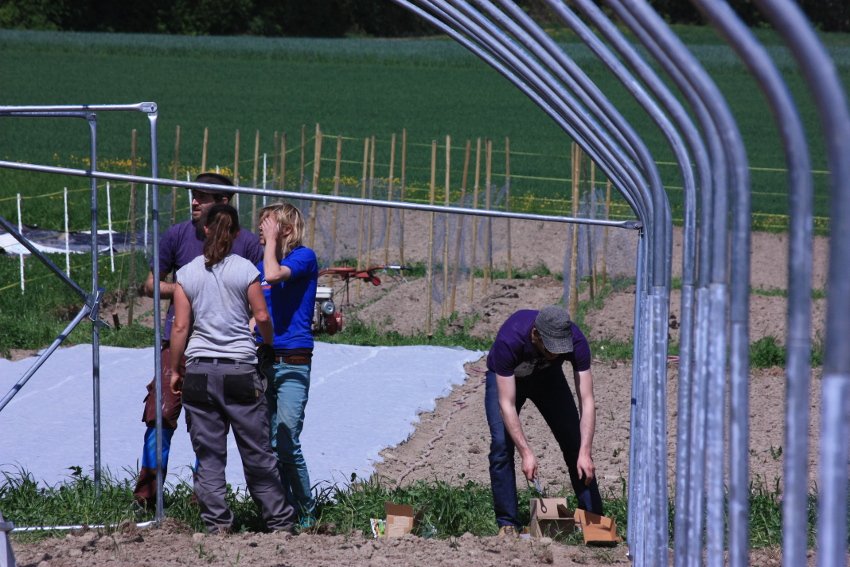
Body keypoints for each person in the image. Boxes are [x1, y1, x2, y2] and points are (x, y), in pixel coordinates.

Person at [133, 173, 264, 508]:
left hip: (222, 351)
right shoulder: (177, 235)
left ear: (223, 202)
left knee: (211, 425)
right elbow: (151, 284)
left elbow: (263, 296)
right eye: (193, 195)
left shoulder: (246, 243)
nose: (193, 201)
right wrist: (184, 290)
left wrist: (249, 325)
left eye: (202, 197)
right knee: (160, 414)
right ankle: (147, 497)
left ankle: (202, 499)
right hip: (176, 345)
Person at [169, 203, 295, 534]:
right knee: (257, 453)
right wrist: (266, 342)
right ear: (238, 232)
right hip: (240, 370)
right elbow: (262, 316)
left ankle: (218, 526)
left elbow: (181, 327)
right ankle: (280, 523)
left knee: (209, 457)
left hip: (198, 373)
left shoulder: (187, 274)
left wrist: (175, 370)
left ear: (205, 230)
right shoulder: (245, 270)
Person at [485, 305, 603, 536]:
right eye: (551, 348)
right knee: (501, 444)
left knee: (574, 442)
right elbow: (507, 404)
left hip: (548, 378)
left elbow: (587, 400)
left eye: (561, 349)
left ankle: (593, 521)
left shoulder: (576, 341)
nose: (557, 354)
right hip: (509, 382)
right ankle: (508, 522)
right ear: (536, 334)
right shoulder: (510, 340)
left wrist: (585, 452)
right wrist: (526, 453)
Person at [255, 202, 318, 525]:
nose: (261, 233)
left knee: (287, 440)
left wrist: (272, 247)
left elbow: (273, 275)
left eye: (268, 227)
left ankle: (307, 513)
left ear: (286, 230)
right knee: (266, 445)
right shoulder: (260, 262)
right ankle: (281, 512)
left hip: (293, 362)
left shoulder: (303, 257)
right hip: (263, 362)